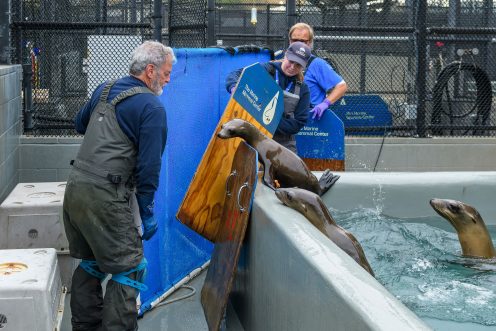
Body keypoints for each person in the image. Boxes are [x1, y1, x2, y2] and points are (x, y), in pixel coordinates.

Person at [63, 40, 176, 330]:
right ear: (150, 71)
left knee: (91, 262)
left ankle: (84, 326)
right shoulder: (152, 107)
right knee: (130, 268)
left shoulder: (104, 89)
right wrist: (146, 211)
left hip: (76, 190)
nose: (168, 77)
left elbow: (80, 124)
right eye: (165, 71)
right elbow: (149, 168)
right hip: (106, 197)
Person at [226, 41, 311, 153]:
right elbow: (235, 75)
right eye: (291, 61)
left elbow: (299, 123)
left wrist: (268, 121)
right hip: (254, 137)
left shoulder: (303, 89)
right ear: (285, 56)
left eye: (298, 65)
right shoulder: (266, 70)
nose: (292, 67)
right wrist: (234, 88)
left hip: (283, 143)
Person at [289, 22, 348, 120]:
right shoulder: (283, 62)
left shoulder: (317, 64)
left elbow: (341, 86)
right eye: (295, 40)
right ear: (289, 41)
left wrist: (325, 103)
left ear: (310, 42)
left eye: (303, 41)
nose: (298, 44)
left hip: (310, 120)